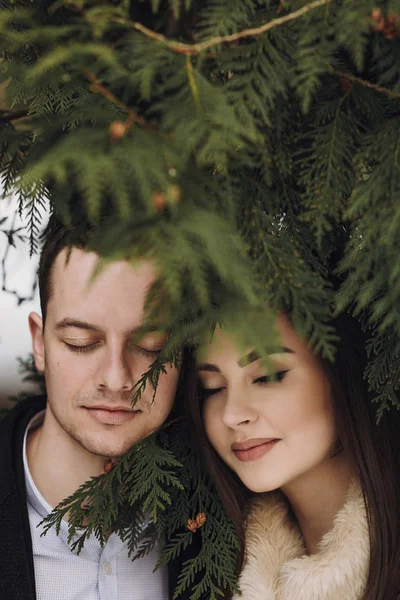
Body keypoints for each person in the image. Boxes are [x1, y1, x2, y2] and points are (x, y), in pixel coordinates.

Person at [0, 219, 193, 600]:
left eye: (151, 345)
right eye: (81, 341)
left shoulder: (227, 523)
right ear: (40, 344)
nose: (117, 378)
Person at [187, 312, 400, 600]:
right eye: (212, 388)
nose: (231, 414)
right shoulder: (211, 571)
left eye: (267, 376)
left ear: (341, 373)